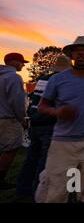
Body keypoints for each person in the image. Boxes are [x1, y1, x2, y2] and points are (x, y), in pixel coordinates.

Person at [35, 36, 84, 203]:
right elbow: (42, 106)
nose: (80, 54)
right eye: (76, 51)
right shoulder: (57, 80)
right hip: (62, 143)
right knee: (55, 192)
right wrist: (57, 112)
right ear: (71, 55)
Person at [15, 55, 71, 200]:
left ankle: (22, 190)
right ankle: (38, 193)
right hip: (48, 125)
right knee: (45, 162)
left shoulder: (42, 79)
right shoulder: (61, 81)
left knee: (31, 158)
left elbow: (34, 100)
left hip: (35, 124)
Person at [0, 53, 29, 190]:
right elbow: (16, 102)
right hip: (9, 120)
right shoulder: (14, 77)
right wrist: (22, 119)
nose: (23, 64)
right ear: (13, 62)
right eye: (21, 62)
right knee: (10, 150)